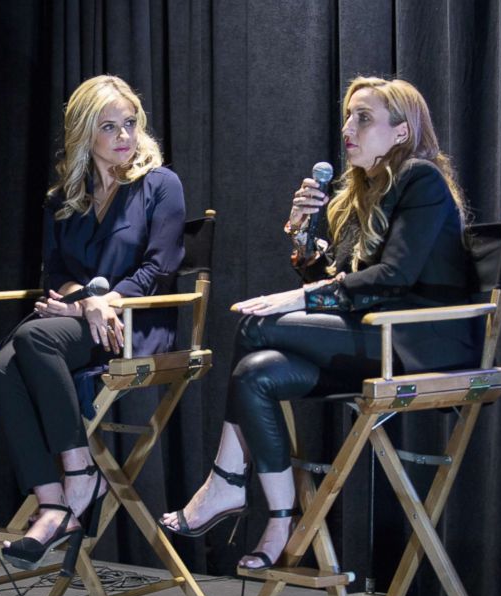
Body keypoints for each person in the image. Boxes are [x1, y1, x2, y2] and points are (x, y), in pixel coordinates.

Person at [160, 76, 476, 570]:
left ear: (400, 132)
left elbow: (392, 277)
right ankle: (281, 517)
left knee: (256, 326)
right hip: (371, 338)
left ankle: (226, 482)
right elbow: (342, 281)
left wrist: (299, 296)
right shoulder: (361, 191)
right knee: (255, 372)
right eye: (348, 117)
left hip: (416, 344)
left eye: (364, 118)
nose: (348, 128)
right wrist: (305, 239)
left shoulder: (420, 179)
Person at [0, 75, 186, 570]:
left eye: (130, 123)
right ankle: (54, 503)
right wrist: (83, 302)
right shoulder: (64, 198)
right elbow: (55, 273)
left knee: (33, 338)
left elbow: (159, 268)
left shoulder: (160, 184)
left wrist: (100, 303)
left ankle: (80, 477)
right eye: (109, 126)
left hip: (136, 322)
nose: (125, 135)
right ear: (84, 134)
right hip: (78, 323)